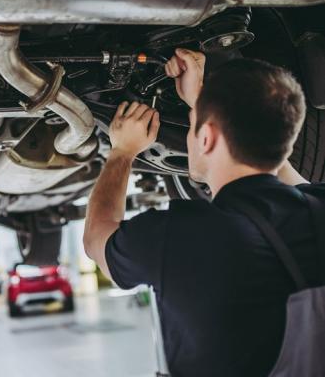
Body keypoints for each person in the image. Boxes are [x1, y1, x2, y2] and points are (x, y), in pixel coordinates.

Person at [83, 48, 325, 376]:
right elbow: (288, 173)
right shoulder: (317, 207)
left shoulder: (180, 236)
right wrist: (202, 102)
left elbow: (96, 237)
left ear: (207, 137)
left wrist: (122, 152)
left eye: (192, 126)